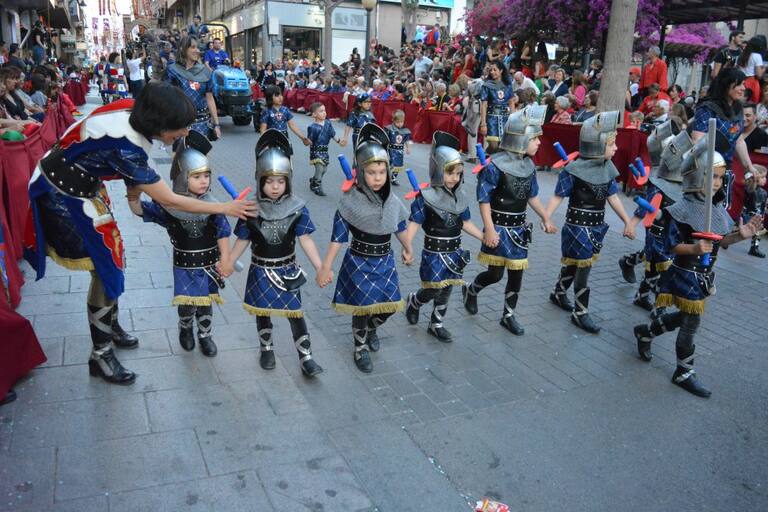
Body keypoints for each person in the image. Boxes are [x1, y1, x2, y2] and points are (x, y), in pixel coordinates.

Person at [25, 83, 256, 385]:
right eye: (180, 127)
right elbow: (170, 200)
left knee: (113, 259)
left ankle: (109, 326)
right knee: (105, 268)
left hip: (82, 184)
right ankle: (101, 354)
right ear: (159, 125)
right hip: (62, 193)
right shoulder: (127, 148)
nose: (185, 132)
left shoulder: (133, 111)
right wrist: (225, 207)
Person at [632, 134, 762, 398]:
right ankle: (684, 371)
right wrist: (693, 248)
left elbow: (721, 241)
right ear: (696, 176)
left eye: (720, 178)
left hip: (704, 275)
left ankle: (646, 332)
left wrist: (741, 235)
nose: (717, 183)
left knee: (685, 318)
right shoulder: (681, 209)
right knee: (692, 323)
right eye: (711, 176)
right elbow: (671, 245)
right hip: (683, 274)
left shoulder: (716, 210)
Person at [224, 130, 324, 377]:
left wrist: (321, 266)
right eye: (269, 181)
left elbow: (306, 240)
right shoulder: (250, 209)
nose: (276, 186)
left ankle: (306, 357)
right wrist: (229, 261)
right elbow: (242, 240)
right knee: (263, 311)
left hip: (287, 271)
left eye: (280, 181)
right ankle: (266, 349)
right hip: (260, 270)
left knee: (295, 313)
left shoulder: (297, 208)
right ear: (260, 181)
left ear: (288, 180)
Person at [317, 124, 413, 373]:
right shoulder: (349, 202)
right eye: (371, 172)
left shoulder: (392, 200)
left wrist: (408, 247)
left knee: (389, 306)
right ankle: (360, 347)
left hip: (385, 260)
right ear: (360, 172)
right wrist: (326, 266)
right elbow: (338, 238)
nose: (378, 177)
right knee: (361, 308)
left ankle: (372, 328)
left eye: (381, 172)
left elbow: (399, 225)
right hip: (358, 261)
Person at [127, 134, 230, 357]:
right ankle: (185, 327)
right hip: (185, 265)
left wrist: (226, 258)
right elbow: (140, 210)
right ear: (183, 178)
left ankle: (205, 334)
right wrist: (133, 195)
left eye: (206, 176)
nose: (204, 181)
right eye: (197, 176)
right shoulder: (169, 207)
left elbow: (223, 232)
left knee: (206, 301)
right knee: (187, 302)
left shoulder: (214, 206)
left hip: (209, 263)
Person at [462, 106, 556, 334]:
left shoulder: (529, 165)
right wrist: (489, 229)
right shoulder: (494, 166)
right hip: (498, 227)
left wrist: (545, 217)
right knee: (495, 275)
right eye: (534, 139)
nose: (539, 143)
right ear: (520, 139)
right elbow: (484, 200)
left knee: (516, 274)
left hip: (519, 229)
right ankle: (471, 290)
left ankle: (508, 314)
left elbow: (532, 196)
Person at [545, 111, 635, 333]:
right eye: (611, 144)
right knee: (584, 267)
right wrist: (546, 217)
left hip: (596, 226)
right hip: (577, 226)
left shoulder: (606, 167)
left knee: (575, 263)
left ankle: (558, 293)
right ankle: (581, 312)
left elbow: (613, 197)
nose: (616, 148)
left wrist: (627, 221)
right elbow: (558, 195)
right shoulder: (573, 170)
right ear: (597, 145)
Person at [404, 132, 483, 341]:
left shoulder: (460, 198)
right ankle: (414, 302)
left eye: (458, 174)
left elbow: (466, 223)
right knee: (431, 290)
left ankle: (436, 323)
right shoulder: (425, 198)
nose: (454, 178)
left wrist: (483, 236)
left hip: (454, 252)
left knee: (447, 288)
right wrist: (407, 247)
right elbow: (414, 224)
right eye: (450, 173)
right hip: (433, 253)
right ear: (438, 169)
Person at [619, 123, 692, 315]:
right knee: (664, 268)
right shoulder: (659, 184)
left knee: (653, 264)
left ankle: (641, 293)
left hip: (673, 232)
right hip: (657, 231)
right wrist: (631, 224)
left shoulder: (682, 184)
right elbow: (646, 207)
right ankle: (659, 308)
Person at [692, 68, 758, 207]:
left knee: (721, 210)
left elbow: (738, 140)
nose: (743, 88)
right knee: (701, 213)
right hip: (705, 171)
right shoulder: (706, 108)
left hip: (725, 170)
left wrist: (749, 167)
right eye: (739, 84)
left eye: (744, 84)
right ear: (726, 84)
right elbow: (698, 141)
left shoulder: (738, 110)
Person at [164, 36, 222, 141]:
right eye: (193, 47)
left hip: (202, 124)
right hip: (180, 124)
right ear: (183, 49)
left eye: (198, 47)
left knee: (197, 152)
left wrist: (216, 124)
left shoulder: (205, 71)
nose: (197, 50)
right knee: (180, 151)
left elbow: (209, 98)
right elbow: (167, 98)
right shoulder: (173, 70)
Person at [307, 102, 343, 196]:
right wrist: (306, 141)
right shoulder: (312, 127)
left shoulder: (328, 123)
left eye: (324, 110)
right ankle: (317, 187)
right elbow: (310, 140)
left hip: (325, 151)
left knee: (324, 169)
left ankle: (314, 180)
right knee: (319, 168)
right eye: (321, 111)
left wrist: (339, 141)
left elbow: (332, 134)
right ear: (314, 114)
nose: (324, 113)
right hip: (316, 151)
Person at [479, 61, 515, 154]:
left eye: (495, 70)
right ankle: (487, 156)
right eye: (491, 70)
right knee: (493, 146)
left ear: (501, 70)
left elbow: (511, 103)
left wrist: (513, 120)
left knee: (503, 147)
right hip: (491, 119)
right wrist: (483, 123)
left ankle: (493, 161)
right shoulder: (486, 85)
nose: (492, 72)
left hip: (505, 118)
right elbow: (483, 105)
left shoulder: (508, 85)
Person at [742, 165, 767, 258]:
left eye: (765, 177)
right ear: (755, 177)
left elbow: (763, 204)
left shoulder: (763, 192)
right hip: (749, 214)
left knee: (758, 231)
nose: (765, 179)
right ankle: (726, 240)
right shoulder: (750, 189)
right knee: (738, 228)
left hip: (759, 215)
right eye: (763, 177)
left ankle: (754, 248)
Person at [385, 109, 412, 186]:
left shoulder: (405, 131)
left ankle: (393, 178)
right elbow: (385, 138)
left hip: (400, 151)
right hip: (391, 149)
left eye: (401, 122)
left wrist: (408, 148)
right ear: (393, 120)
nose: (400, 124)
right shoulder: (389, 129)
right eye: (398, 122)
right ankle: (386, 176)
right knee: (391, 163)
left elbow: (407, 140)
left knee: (398, 165)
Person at [738, 37, 766, 103]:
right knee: (752, 103)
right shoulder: (757, 56)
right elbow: (759, 75)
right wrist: (764, 68)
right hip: (751, 82)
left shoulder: (742, 54)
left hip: (740, 81)